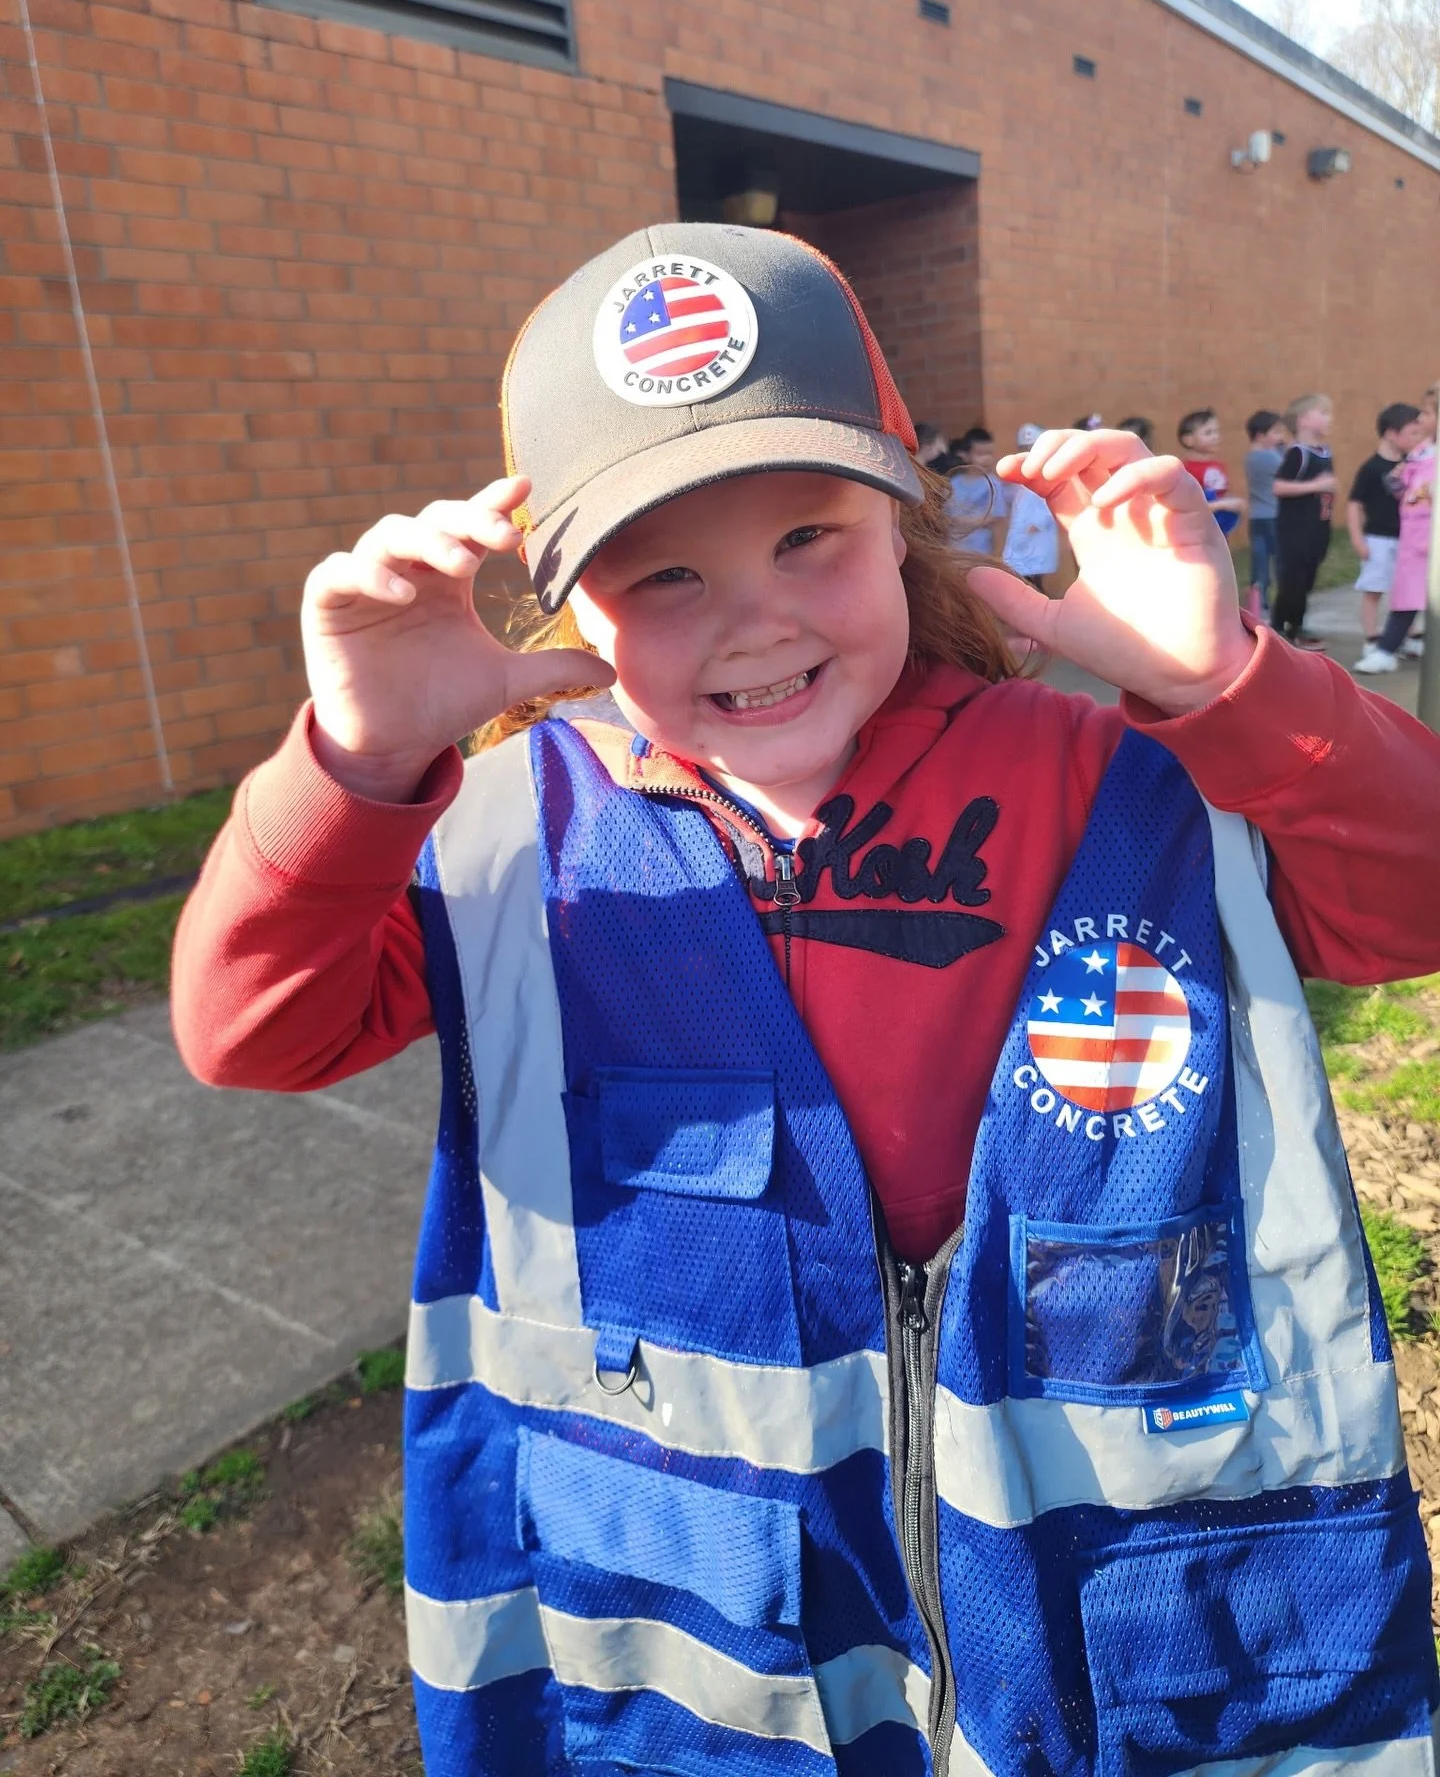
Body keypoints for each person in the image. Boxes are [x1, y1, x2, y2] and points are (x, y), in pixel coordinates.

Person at [173, 226, 1440, 1777]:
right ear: (575, 612)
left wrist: (1223, 685)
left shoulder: (1106, 773)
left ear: (901, 524)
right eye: (667, 576)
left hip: (1111, 1625)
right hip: (715, 1640)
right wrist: (354, 765)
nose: (757, 620)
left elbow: (1409, 903)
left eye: (809, 541)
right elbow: (253, 1030)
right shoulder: (507, 837)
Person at [1358, 383, 1437, 674]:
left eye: (1426, 413)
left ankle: (1388, 648)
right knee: (1407, 595)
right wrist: (1398, 479)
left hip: (1430, 537)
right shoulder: (1421, 453)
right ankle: (1387, 649)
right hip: (1414, 537)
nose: (1420, 419)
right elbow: (1400, 487)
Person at [1347, 402, 1425, 657]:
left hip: (1407, 539)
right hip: (1378, 539)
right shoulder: (1371, 468)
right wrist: (1358, 539)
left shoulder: (1413, 464)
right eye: (1412, 432)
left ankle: (1409, 634)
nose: (1418, 438)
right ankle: (1372, 638)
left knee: (1408, 589)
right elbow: (1354, 505)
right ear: (1392, 433)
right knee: (1374, 590)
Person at [1270, 392, 1336, 649]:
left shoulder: (1324, 452)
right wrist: (1314, 485)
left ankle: (1293, 623)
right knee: (1293, 579)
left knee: (1307, 578)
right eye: (1324, 413)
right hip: (1296, 530)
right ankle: (1283, 626)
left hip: (1318, 528)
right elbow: (1278, 486)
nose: (1330, 419)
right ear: (1304, 420)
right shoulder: (1298, 453)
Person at [1002, 422, 1059, 588]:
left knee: (1033, 584)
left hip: (1035, 539)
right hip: (1020, 539)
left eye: (1031, 447)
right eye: (1023, 447)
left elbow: (1050, 508)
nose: (1027, 452)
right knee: (1022, 581)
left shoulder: (1049, 474)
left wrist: (1035, 526)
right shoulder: (1020, 476)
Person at [1243, 409, 1287, 614]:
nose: (1280, 437)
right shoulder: (1268, 457)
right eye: (1276, 433)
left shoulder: (1250, 457)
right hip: (1273, 516)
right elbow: (1288, 469)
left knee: (1259, 561)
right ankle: (1275, 602)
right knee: (1278, 561)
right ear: (1261, 436)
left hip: (1256, 517)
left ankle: (1257, 605)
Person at [1178, 408, 1243, 537]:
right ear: (1188, 440)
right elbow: (1190, 506)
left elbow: (1223, 493)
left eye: (1216, 432)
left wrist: (1234, 505)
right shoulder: (1185, 470)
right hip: (1198, 534)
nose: (1215, 436)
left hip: (1220, 533)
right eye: (1208, 433)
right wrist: (1223, 505)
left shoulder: (1219, 466)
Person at [945, 424, 1006, 554]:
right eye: (980, 454)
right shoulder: (952, 484)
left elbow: (996, 518)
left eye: (989, 453)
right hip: (955, 552)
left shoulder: (993, 484)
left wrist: (964, 523)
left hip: (981, 553)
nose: (986, 459)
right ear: (965, 456)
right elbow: (946, 516)